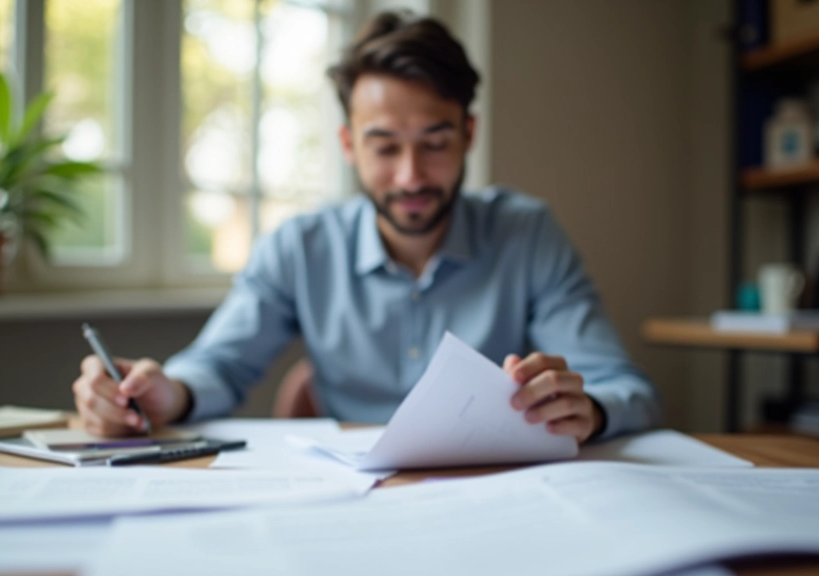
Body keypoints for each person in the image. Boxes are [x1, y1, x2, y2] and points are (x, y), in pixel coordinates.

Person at [72, 11, 660, 444]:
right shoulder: (299, 247)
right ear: (349, 144)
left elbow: (622, 386)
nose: (410, 176)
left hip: (490, 491)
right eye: (385, 147)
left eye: (435, 143)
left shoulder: (528, 235)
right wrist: (163, 393)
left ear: (469, 136)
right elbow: (219, 365)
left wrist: (590, 409)